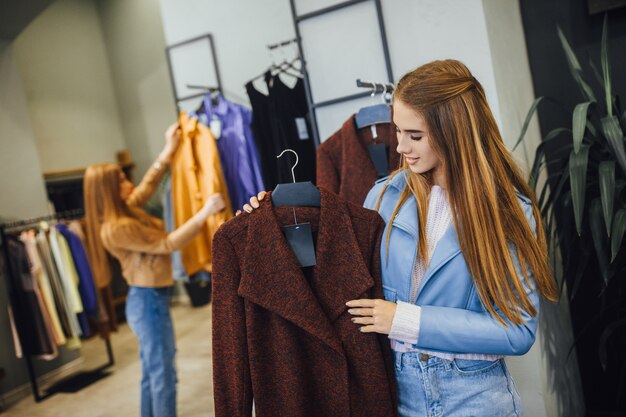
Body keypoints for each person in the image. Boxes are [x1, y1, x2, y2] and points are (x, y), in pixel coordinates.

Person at [240, 60, 558, 416]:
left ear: (454, 132)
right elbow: (331, 279)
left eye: (415, 135)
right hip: (394, 393)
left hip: (475, 397)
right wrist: (270, 225)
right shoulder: (381, 198)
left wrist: (403, 320)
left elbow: (517, 331)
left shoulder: (508, 212)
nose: (400, 147)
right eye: (398, 131)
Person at [83, 123, 226, 417]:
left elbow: (147, 185)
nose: (128, 183)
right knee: (163, 373)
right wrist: (205, 212)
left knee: (153, 371)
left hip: (149, 299)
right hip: (148, 302)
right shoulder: (118, 227)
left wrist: (168, 148)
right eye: (121, 180)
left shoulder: (123, 211)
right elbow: (167, 243)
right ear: (109, 191)